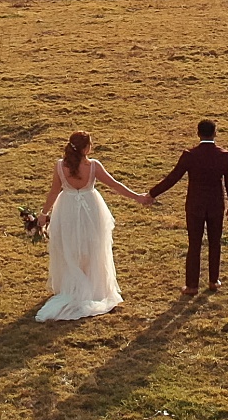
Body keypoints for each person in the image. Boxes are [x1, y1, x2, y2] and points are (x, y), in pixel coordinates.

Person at [35, 131, 149, 320]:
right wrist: (138, 197)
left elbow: (54, 191)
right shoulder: (94, 166)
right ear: (86, 148)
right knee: (93, 245)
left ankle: (73, 284)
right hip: (91, 208)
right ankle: (93, 284)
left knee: (70, 246)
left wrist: (44, 213)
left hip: (67, 209)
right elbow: (115, 185)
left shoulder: (60, 167)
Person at [149, 120, 228, 294]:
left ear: (198, 133)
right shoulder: (224, 155)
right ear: (215, 133)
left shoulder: (190, 155)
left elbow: (172, 178)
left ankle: (192, 285)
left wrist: (152, 194)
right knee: (215, 242)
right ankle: (214, 281)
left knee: (194, 244)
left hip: (195, 205)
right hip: (215, 204)